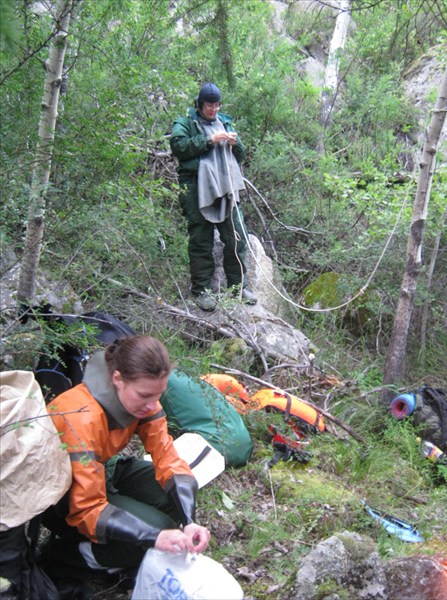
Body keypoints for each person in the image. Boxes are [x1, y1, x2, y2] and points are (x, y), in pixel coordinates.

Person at [41, 335, 210, 590]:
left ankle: (119, 553)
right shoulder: (81, 417)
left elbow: (167, 457)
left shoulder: (141, 398)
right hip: (61, 497)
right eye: (144, 395)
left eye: (158, 394)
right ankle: (64, 558)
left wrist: (190, 520)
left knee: (178, 494)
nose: (153, 404)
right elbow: (86, 508)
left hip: (105, 472)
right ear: (117, 379)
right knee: (158, 528)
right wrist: (154, 536)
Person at [170, 82, 257, 311]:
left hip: (226, 188)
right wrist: (209, 140)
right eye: (210, 105)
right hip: (196, 188)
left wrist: (234, 144)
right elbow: (179, 147)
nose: (214, 110)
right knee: (201, 240)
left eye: (217, 105)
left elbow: (241, 155)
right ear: (200, 104)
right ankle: (202, 292)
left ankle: (239, 287)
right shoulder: (185, 123)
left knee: (237, 236)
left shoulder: (225, 121)